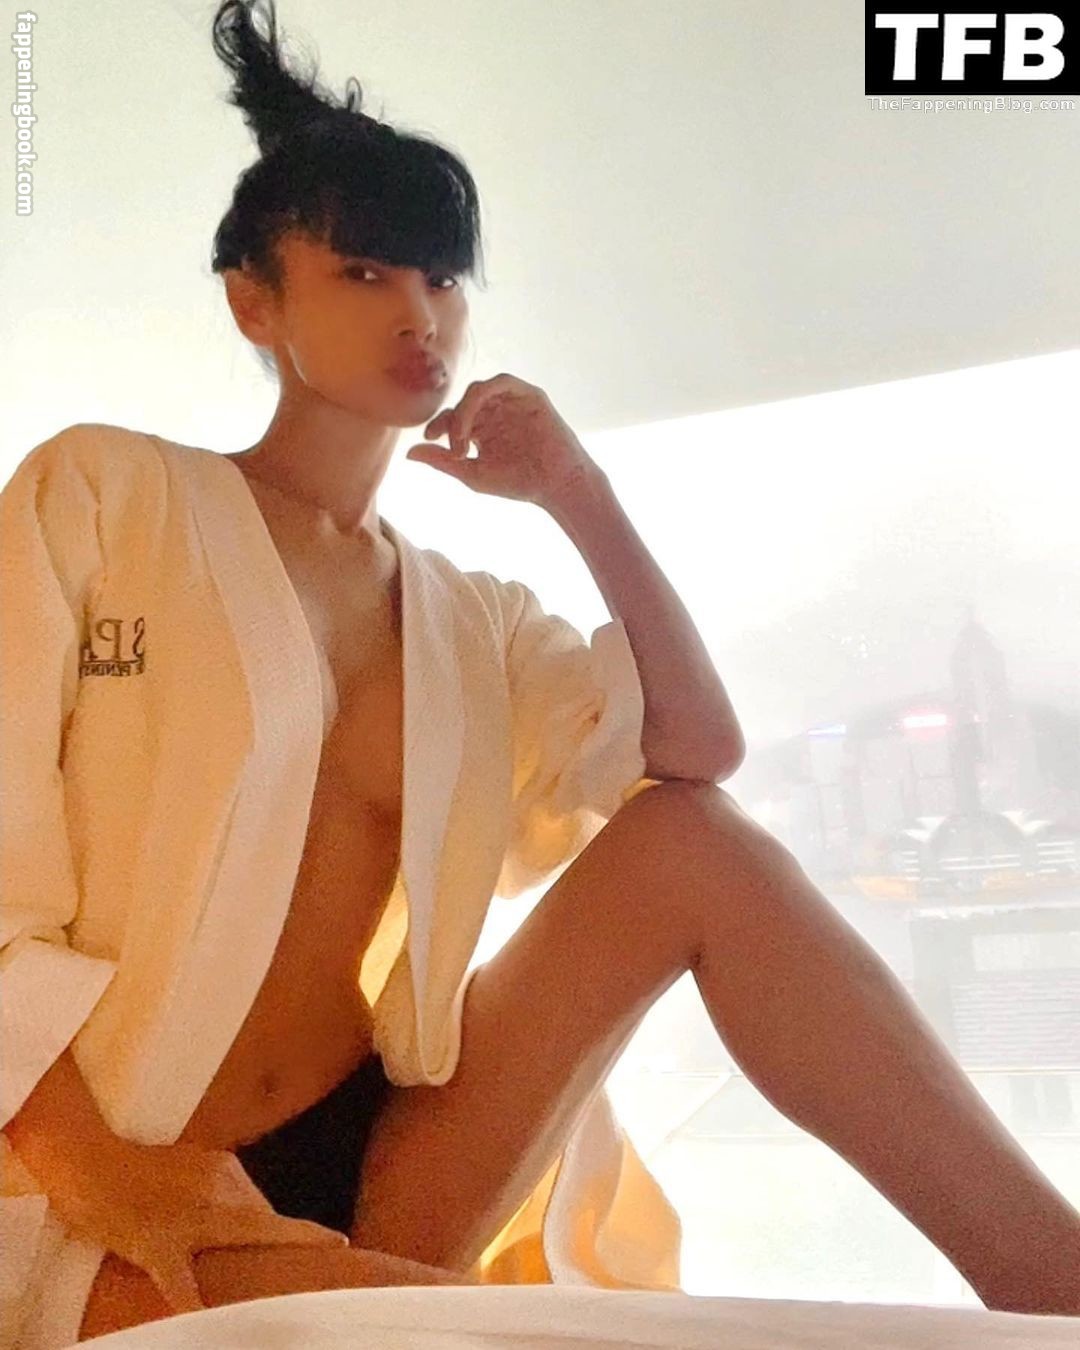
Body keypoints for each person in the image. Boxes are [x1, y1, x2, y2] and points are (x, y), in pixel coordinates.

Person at [4, 1, 1080, 1345]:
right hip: (112, 1166)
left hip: (387, 1151)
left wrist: (579, 493)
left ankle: (1060, 1275)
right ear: (253, 301)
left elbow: (695, 755)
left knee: (692, 844)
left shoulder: (471, 619)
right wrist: (96, 1168)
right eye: (364, 273)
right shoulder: (106, 495)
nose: (419, 315)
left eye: (443, 280)